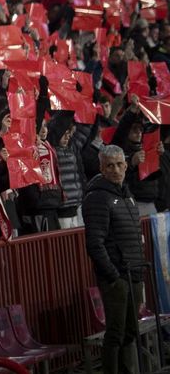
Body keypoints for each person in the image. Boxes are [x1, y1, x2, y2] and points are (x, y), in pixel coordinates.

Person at [84, 145, 145, 374]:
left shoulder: (127, 194)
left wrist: (138, 271)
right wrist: (113, 276)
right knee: (116, 333)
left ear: (126, 166)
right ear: (101, 168)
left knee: (131, 331)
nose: (115, 170)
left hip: (134, 272)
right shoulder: (97, 197)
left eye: (119, 165)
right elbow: (95, 243)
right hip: (116, 277)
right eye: (110, 166)